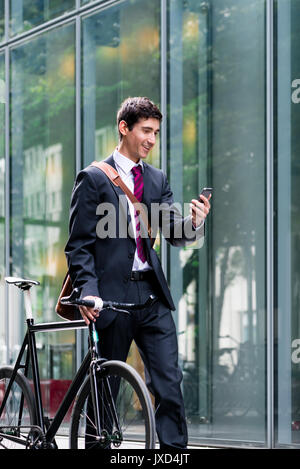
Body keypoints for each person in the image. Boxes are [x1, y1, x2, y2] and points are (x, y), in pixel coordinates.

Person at [65, 97, 211, 449]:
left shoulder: (156, 179)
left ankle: (173, 454)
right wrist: (87, 289)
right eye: (146, 131)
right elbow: (79, 244)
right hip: (110, 298)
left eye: (156, 133)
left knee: (169, 384)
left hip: (151, 296)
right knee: (105, 391)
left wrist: (193, 222)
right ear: (124, 128)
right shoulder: (94, 178)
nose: (151, 139)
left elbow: (172, 231)